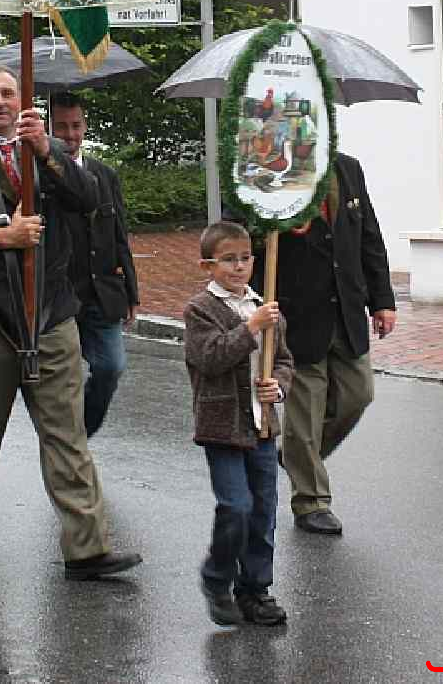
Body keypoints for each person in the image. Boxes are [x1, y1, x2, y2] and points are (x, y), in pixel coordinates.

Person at [0, 67, 140, 578]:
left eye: (7, 93)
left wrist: (46, 152)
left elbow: (90, 200)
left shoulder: (45, 150)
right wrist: (0, 238)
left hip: (51, 316)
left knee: (67, 434)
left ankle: (87, 547)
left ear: (22, 101)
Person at [251, 152, 396, 536]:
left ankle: (297, 457)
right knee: (304, 415)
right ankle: (311, 501)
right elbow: (240, 233)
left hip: (346, 311)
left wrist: (382, 300)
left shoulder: (348, 167)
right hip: (297, 314)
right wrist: (272, 226)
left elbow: (368, 235)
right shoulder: (266, 169)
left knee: (358, 394)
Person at [185, 221, 293, 627]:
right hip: (222, 427)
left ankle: (255, 590)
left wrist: (277, 387)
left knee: (263, 511)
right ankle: (217, 578)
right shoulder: (200, 310)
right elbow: (210, 357)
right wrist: (250, 328)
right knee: (236, 506)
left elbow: (284, 360)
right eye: (228, 259)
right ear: (208, 266)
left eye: (246, 258)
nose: (239, 266)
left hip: (262, 425)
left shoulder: (265, 306)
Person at [49, 93, 139, 436]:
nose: (70, 134)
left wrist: (131, 292)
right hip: (61, 297)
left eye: (76, 125)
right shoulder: (39, 175)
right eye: (61, 127)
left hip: (103, 292)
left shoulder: (105, 174)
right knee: (65, 379)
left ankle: (79, 435)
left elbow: (119, 235)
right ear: (48, 128)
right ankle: (68, 448)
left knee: (111, 367)